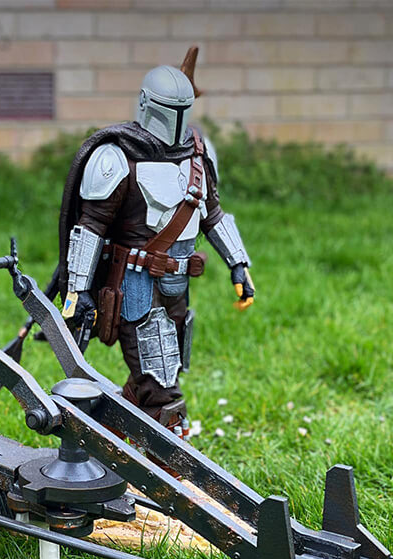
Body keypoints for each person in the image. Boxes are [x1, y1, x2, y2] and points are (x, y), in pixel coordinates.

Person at [58, 56, 254, 438]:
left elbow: (212, 214)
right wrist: (77, 290)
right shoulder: (116, 156)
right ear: (146, 104)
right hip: (136, 286)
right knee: (161, 380)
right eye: (169, 109)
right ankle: (169, 455)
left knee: (164, 367)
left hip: (178, 285)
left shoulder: (198, 153)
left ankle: (118, 430)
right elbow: (90, 226)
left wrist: (238, 264)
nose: (176, 120)